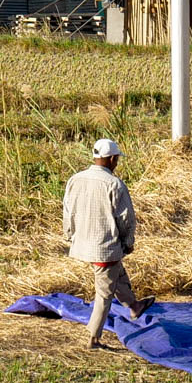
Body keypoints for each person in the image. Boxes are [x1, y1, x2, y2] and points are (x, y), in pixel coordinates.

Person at [62, 138, 154, 350]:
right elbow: (126, 219)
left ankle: (135, 306)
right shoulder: (114, 184)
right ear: (112, 159)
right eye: (117, 160)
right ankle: (93, 338)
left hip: (82, 244)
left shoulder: (75, 179)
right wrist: (128, 242)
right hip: (104, 247)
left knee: (115, 274)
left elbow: (67, 211)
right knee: (104, 293)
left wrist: (70, 236)